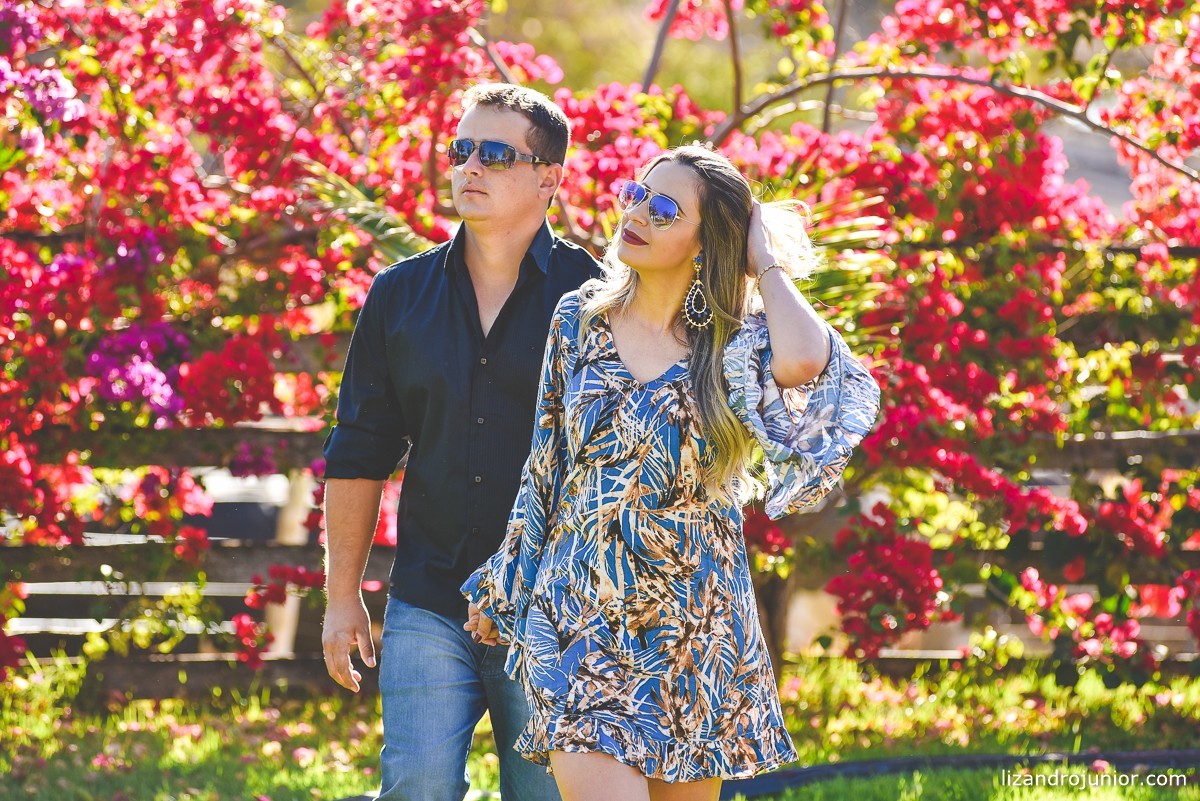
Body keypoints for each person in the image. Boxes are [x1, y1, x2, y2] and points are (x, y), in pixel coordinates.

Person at [461, 144, 881, 801]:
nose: (637, 213)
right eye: (636, 193)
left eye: (664, 209)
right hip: (581, 611)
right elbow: (547, 463)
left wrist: (762, 257)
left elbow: (805, 361)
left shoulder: (736, 341)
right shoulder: (581, 320)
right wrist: (507, 573)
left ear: (705, 241)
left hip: (694, 624)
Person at [321, 83, 600, 801]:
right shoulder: (398, 295)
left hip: (550, 613)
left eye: (497, 154)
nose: (470, 166)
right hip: (430, 597)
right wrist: (342, 595)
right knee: (414, 785)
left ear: (549, 177)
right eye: (461, 149)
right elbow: (359, 451)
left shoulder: (595, 298)